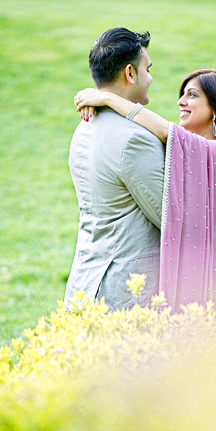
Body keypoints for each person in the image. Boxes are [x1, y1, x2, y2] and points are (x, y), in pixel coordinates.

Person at [74, 66, 216, 314]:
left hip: (211, 277)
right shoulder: (188, 151)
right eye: (182, 94)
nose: (181, 101)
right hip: (189, 272)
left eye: (192, 95)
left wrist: (106, 98)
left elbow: (165, 131)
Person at [64, 27, 164, 310]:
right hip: (126, 293)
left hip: (86, 281)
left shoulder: (84, 127)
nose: (151, 78)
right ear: (130, 74)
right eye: (148, 69)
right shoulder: (135, 138)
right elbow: (171, 216)